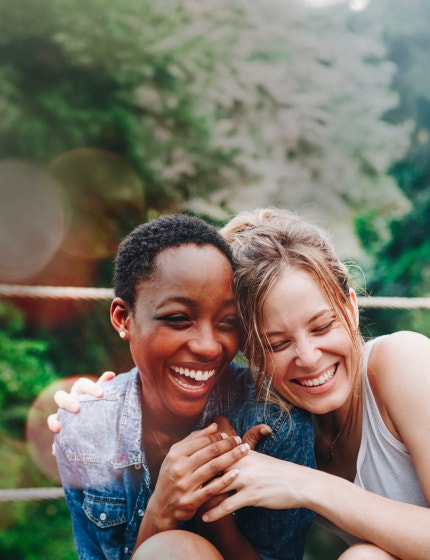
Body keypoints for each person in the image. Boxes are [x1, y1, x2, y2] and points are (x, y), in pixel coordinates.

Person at [52, 213, 316, 560]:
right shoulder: (84, 431)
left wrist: (215, 504)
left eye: (228, 322)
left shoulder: (274, 422)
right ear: (123, 319)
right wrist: (161, 511)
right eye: (178, 319)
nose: (208, 346)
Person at [198, 207, 430, 560]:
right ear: (251, 354)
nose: (308, 357)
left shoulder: (403, 361)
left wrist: (306, 485)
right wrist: (88, 395)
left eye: (321, 327)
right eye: (276, 344)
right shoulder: (279, 424)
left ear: (350, 307)